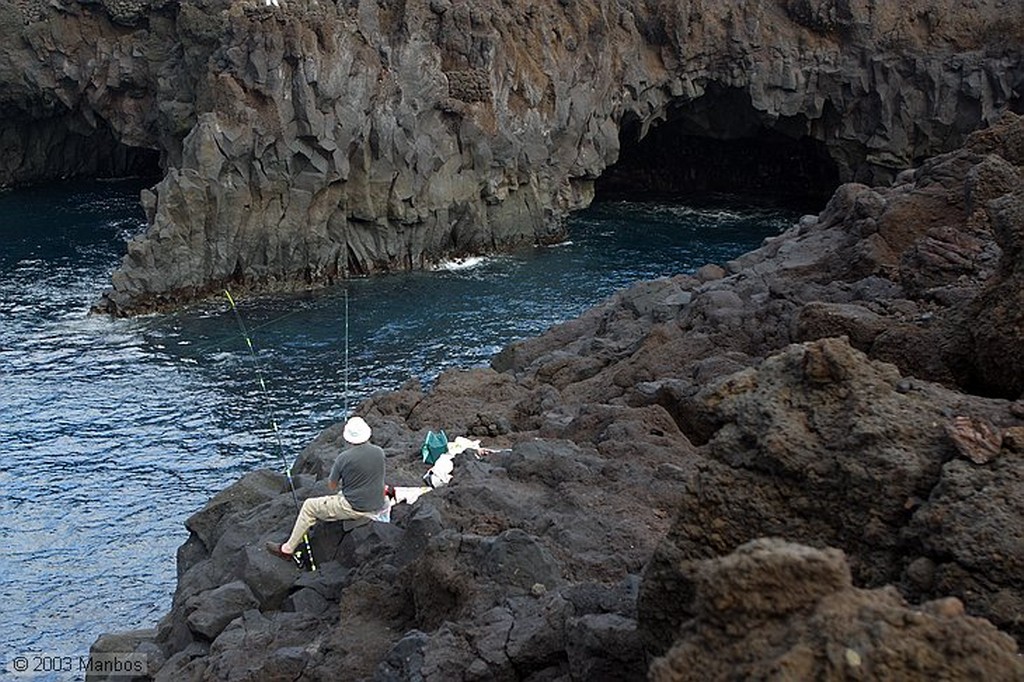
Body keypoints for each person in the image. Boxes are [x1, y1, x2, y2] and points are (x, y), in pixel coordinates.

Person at [266, 416, 386, 560]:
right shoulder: (379, 451)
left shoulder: (344, 457)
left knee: (309, 506)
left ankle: (287, 549)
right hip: (377, 502)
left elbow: (332, 485)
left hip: (356, 507)